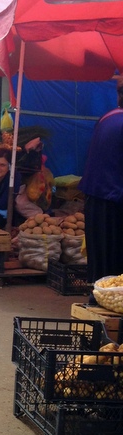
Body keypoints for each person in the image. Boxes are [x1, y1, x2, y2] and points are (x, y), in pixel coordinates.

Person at [80, 83, 123, 286]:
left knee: (99, 262)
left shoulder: (108, 118)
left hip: (95, 198)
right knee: (115, 265)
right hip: (114, 201)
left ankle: (96, 299)